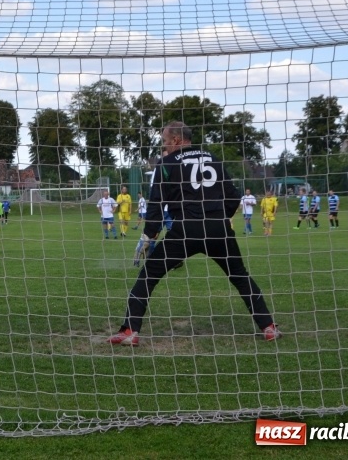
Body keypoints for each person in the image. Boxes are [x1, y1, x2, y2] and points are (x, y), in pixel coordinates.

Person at [107, 121, 281, 346]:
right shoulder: (213, 158)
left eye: (165, 141)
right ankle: (268, 327)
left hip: (185, 229)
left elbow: (157, 203)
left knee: (148, 275)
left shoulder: (167, 163)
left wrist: (149, 235)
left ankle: (130, 331)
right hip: (218, 229)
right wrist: (220, 218)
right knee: (240, 276)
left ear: (176, 139)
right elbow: (233, 196)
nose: (164, 146)